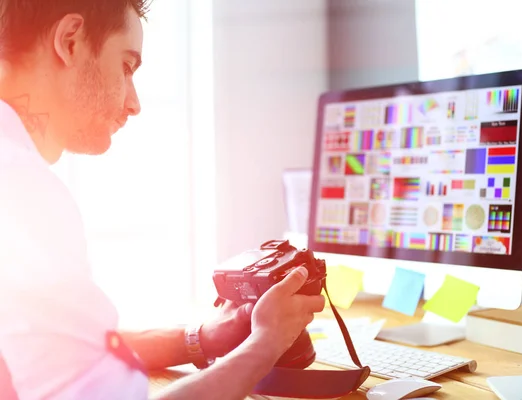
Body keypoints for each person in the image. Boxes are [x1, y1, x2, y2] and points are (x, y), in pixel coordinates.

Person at [0, 1, 326, 399]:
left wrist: (200, 337)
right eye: (125, 65)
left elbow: (59, 349)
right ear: (69, 41)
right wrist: (266, 343)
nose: (134, 103)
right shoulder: (22, 193)